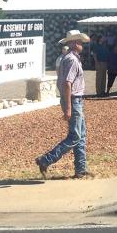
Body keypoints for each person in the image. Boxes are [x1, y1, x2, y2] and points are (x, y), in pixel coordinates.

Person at [36, 30, 93, 179]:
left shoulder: (68, 58)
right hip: (73, 100)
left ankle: (80, 169)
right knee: (75, 136)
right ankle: (46, 160)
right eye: (79, 42)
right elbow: (67, 84)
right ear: (74, 43)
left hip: (74, 100)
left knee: (80, 135)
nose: (81, 44)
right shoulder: (72, 60)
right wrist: (68, 107)